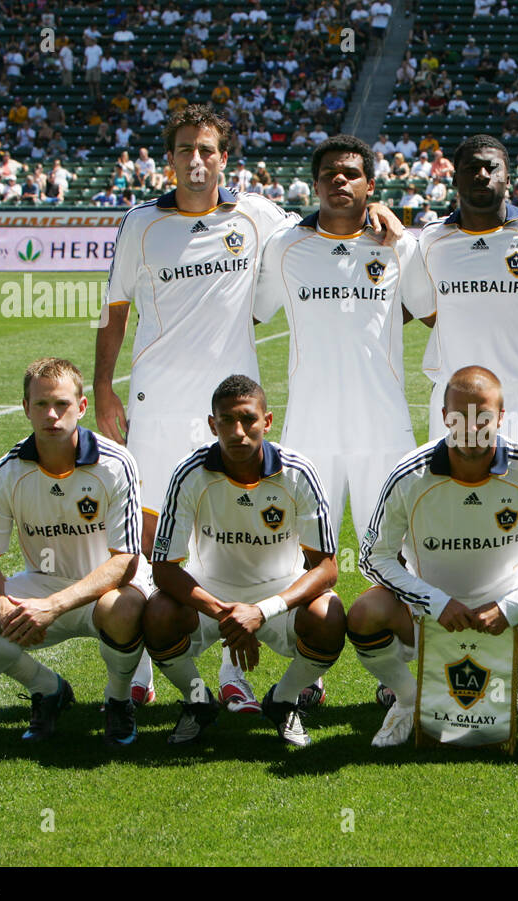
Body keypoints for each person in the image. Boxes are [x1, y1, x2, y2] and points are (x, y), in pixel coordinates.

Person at [96, 105, 399, 711]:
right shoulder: (140, 224)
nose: (196, 160)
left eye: (207, 150)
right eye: (185, 149)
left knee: (239, 541)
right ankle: (147, 672)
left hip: (232, 409)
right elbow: (115, 308)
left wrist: (379, 213)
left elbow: (327, 221)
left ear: (224, 158)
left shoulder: (257, 216)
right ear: (170, 158)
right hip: (156, 402)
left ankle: (238, 677)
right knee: (155, 544)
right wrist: (104, 386)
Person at [400, 134, 518, 707]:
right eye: (471, 167)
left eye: (491, 167)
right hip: (451, 403)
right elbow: (426, 309)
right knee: (436, 525)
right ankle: (429, 653)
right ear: (453, 176)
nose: (481, 175)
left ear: (510, 174)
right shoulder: (429, 241)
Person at [347, 367, 518, 752]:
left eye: (483, 417)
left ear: (501, 418)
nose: (471, 427)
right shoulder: (409, 475)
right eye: (459, 417)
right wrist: (435, 602)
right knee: (365, 612)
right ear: (445, 417)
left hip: (512, 616)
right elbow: (374, 556)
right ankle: (407, 701)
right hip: (429, 615)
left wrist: (511, 606)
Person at [252, 135, 419, 702]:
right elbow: (254, 309)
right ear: (315, 183)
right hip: (311, 427)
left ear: (370, 184)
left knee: (393, 555)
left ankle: (397, 679)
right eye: (329, 174)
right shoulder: (286, 246)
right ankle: (308, 673)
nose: (339, 181)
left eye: (351, 173)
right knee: (300, 554)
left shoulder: (399, 245)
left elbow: (431, 308)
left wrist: (401, 241)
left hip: (384, 426)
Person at [0, 358, 147, 747]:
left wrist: (53, 606)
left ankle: (118, 700)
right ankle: (46, 689)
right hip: (42, 587)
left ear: (81, 408)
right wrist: (5, 612)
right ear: (25, 408)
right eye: (40, 405)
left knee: (124, 609)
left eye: (62, 404)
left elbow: (126, 561)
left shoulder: (116, 464)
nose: (51, 415)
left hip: (104, 591)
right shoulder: (7, 471)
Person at [144, 376, 345, 745]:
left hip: (278, 592)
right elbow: (164, 568)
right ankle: (197, 700)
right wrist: (226, 613)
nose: (238, 432)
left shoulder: (298, 472)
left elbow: (327, 568)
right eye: (226, 421)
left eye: (248, 419)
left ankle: (283, 701)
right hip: (211, 592)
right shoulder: (190, 473)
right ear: (212, 424)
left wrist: (262, 611)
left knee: (329, 617)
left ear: (266, 421)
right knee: (157, 613)